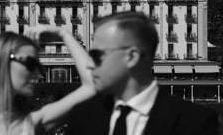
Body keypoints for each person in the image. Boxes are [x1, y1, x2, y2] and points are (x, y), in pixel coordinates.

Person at [66, 11, 219, 135]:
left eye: (98, 56)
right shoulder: (83, 117)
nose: (89, 64)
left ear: (132, 57)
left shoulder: (195, 122)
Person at [0, 29, 95, 135]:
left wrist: (63, 34)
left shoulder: (30, 124)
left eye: (39, 66)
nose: (38, 73)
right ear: (3, 61)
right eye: (31, 64)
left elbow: (92, 83)